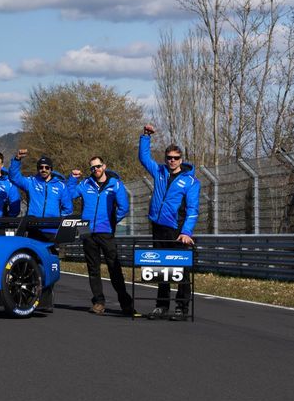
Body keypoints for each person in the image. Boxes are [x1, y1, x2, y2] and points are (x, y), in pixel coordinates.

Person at [139, 124, 201, 321]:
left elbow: (193, 210)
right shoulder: (159, 172)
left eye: (175, 158)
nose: (172, 161)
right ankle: (161, 306)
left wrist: (187, 232)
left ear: (181, 160)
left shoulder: (191, 182)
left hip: (177, 230)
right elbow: (143, 158)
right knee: (161, 268)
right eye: (169, 158)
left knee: (181, 270)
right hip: (158, 227)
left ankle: (182, 308)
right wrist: (145, 137)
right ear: (165, 159)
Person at [67, 156, 135, 316]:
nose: (95, 170)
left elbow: (124, 207)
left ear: (104, 166)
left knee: (114, 267)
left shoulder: (115, 184)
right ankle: (98, 302)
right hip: (86, 231)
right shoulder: (84, 184)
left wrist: (112, 221)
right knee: (93, 269)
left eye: (98, 166)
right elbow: (69, 195)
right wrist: (72, 180)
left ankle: (126, 303)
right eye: (92, 168)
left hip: (106, 231)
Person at [7, 149, 72, 231]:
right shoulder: (31, 182)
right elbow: (14, 177)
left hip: (53, 229)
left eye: (47, 167)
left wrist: (59, 223)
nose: (43, 169)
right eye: (41, 167)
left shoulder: (61, 186)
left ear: (51, 169)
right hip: (33, 227)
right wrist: (17, 159)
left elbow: (67, 208)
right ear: (38, 169)